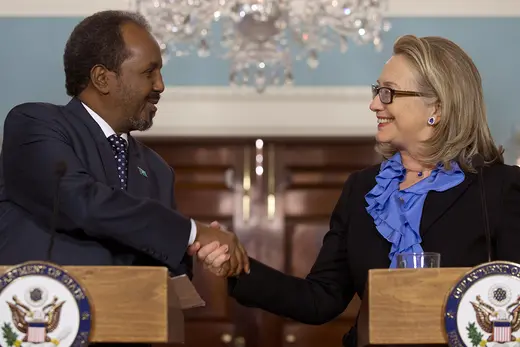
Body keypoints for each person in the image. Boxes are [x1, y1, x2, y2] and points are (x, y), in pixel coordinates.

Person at [188, 35, 520, 346]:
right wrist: (240, 267)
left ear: (437, 108)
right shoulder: (362, 189)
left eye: (388, 92)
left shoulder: (500, 189)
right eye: (377, 90)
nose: (374, 104)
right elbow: (319, 300)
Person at [0, 10, 249, 278]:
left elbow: (170, 272)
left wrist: (202, 250)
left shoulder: (157, 169)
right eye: (149, 72)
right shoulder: (34, 124)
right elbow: (81, 202)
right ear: (102, 78)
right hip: (44, 312)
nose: (160, 85)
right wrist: (192, 232)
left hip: (132, 318)